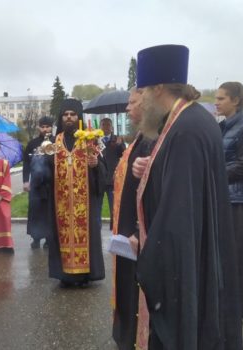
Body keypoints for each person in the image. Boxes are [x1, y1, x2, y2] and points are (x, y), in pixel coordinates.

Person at [132, 45, 242, 349]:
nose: (139, 100)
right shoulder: (188, 119)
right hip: (201, 247)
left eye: (142, 91)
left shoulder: (185, 129)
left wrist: (146, 251)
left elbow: (179, 211)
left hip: (187, 264)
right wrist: (148, 170)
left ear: (158, 87)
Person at [32, 98, 106, 287]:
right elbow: (44, 172)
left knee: (86, 236)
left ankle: (84, 275)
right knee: (61, 236)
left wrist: (96, 165)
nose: (69, 117)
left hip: (84, 203)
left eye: (73, 114)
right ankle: (65, 275)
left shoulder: (89, 140)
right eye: (66, 114)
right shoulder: (53, 143)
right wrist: (41, 164)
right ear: (61, 117)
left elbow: (103, 169)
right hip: (61, 203)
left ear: (79, 116)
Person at [111, 87, 154, 350]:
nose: (128, 108)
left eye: (132, 102)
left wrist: (138, 230)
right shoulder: (140, 137)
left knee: (136, 290)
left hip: (136, 232)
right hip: (126, 228)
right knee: (126, 287)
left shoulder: (152, 138)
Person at [215, 81, 243, 319]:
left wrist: (212, 172)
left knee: (239, 255)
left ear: (236, 100)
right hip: (223, 197)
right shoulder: (221, 127)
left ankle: (241, 308)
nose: (217, 103)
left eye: (221, 98)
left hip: (238, 200)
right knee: (226, 255)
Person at [22, 116, 54, 249]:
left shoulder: (56, 142)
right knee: (36, 211)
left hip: (51, 183)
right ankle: (36, 238)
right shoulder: (32, 144)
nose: (45, 129)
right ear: (39, 128)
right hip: (35, 184)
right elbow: (26, 164)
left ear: (52, 127)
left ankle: (48, 238)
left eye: (48, 126)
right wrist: (25, 181)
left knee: (49, 212)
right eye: (43, 126)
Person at [99, 117, 126, 230]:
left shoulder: (117, 140)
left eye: (108, 125)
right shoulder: (95, 140)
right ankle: (96, 227)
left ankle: (114, 228)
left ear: (112, 127)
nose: (106, 127)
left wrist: (120, 145)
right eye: (104, 124)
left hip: (112, 179)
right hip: (99, 179)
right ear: (100, 127)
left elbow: (124, 156)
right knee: (97, 207)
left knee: (113, 206)